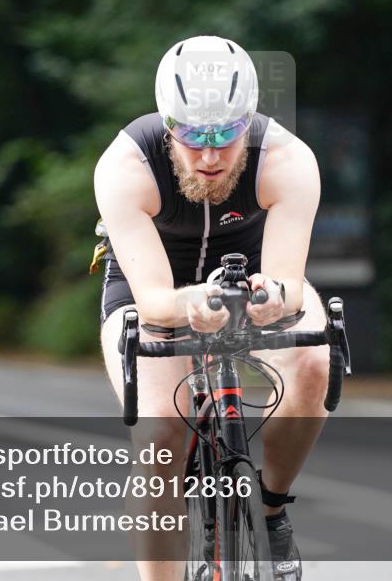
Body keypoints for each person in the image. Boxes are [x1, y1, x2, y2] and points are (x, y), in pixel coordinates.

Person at [94, 36, 327, 581]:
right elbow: (155, 302)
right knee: (159, 440)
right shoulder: (125, 165)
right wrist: (188, 303)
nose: (210, 156)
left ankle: (271, 510)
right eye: (193, 135)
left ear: (250, 120)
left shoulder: (288, 159)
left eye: (226, 134)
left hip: (253, 270)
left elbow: (289, 286)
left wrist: (274, 299)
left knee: (315, 360)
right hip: (154, 282)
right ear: (166, 123)